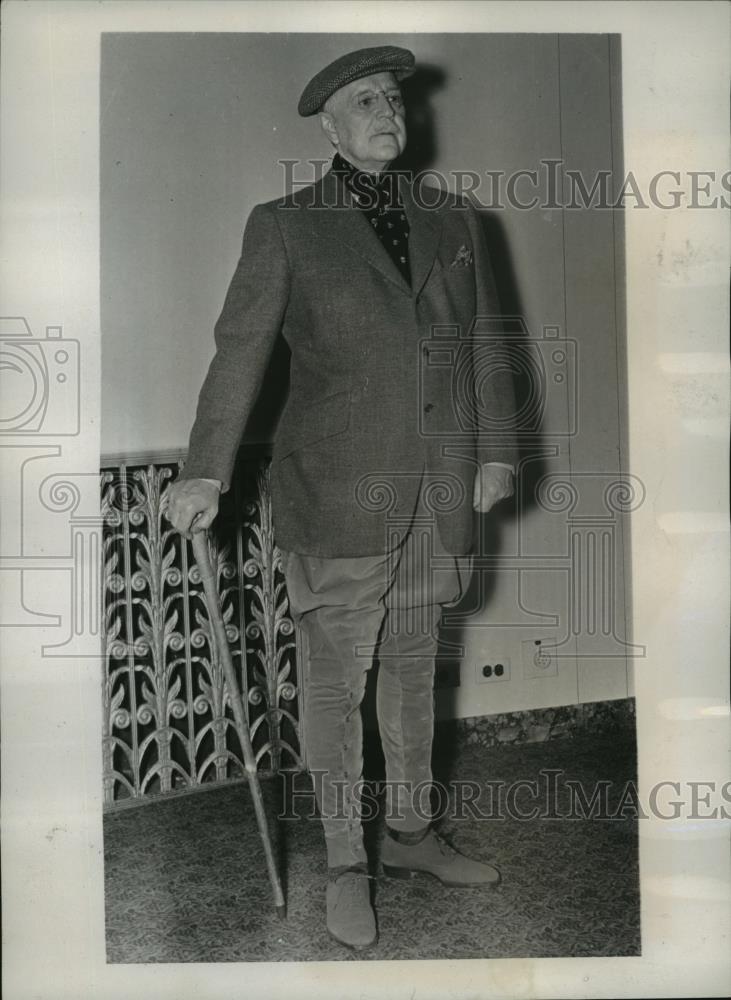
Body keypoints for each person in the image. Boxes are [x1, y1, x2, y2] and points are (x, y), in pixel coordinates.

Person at [165, 44, 518, 952]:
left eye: (394, 98)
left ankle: (408, 836)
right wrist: (206, 468)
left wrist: (497, 453)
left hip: (437, 492)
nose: (387, 111)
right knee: (337, 683)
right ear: (328, 123)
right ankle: (344, 866)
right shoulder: (285, 225)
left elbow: (480, 344)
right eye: (365, 99)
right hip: (335, 496)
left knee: (412, 676)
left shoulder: (451, 221)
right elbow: (239, 351)